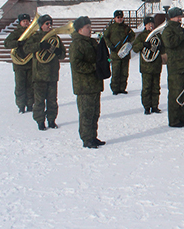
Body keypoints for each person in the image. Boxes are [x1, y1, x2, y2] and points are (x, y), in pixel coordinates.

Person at [24, 14, 66, 131]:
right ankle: (40, 121)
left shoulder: (55, 37)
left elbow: (63, 54)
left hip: (52, 74)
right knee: (39, 101)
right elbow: (26, 49)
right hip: (39, 75)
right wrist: (40, 45)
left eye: (50, 23)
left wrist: (56, 51)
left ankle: (52, 120)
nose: (49, 26)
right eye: (46, 24)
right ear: (41, 25)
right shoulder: (35, 37)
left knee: (52, 100)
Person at [69, 16, 106, 148]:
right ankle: (86, 138)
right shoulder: (76, 44)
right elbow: (77, 65)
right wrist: (94, 67)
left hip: (94, 84)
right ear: (80, 30)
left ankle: (93, 136)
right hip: (84, 86)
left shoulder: (91, 42)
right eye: (87, 27)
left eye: (90, 27)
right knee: (86, 113)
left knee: (95, 112)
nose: (90, 30)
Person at [161, 7, 184, 128]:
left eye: (180, 17)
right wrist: (183, 34)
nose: (180, 19)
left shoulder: (181, 29)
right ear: (171, 17)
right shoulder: (167, 30)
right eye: (178, 17)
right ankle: (174, 120)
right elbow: (171, 43)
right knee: (175, 93)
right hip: (176, 66)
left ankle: (182, 117)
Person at [132, 16, 164, 115]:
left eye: (152, 24)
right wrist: (143, 44)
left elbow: (164, 49)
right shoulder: (142, 36)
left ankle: (155, 106)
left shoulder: (157, 35)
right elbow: (135, 48)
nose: (151, 25)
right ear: (145, 25)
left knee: (156, 87)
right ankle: (146, 106)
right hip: (146, 67)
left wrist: (159, 47)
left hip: (156, 66)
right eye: (149, 24)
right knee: (146, 88)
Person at [4, 13, 34, 113]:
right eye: (24, 21)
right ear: (20, 22)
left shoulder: (32, 33)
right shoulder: (15, 33)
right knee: (20, 86)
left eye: (27, 21)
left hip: (30, 62)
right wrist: (17, 43)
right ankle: (21, 106)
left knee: (30, 85)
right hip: (19, 64)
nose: (26, 23)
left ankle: (30, 104)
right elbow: (6, 43)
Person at [103, 10, 135, 95]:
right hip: (115, 54)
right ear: (114, 18)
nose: (120, 19)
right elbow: (105, 37)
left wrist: (128, 43)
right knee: (116, 72)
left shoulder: (126, 28)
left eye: (121, 17)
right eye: (118, 17)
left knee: (124, 72)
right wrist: (110, 45)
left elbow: (133, 36)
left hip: (125, 53)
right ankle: (115, 88)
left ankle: (122, 88)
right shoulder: (111, 28)